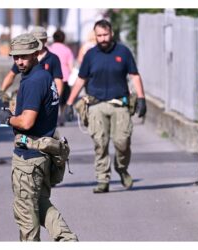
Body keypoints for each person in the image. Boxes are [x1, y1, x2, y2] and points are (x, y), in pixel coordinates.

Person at [0, 33, 78, 241]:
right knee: (41, 204)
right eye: (15, 56)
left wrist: (7, 119)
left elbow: (26, 122)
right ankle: (67, 239)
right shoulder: (43, 76)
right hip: (42, 155)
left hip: (29, 159)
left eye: (24, 56)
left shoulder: (34, 81)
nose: (19, 61)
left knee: (26, 216)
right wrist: (8, 113)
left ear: (36, 53)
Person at [65, 19, 147, 193]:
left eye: (105, 35)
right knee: (100, 143)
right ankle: (103, 179)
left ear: (112, 34)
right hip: (96, 105)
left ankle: (122, 168)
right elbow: (81, 79)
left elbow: (134, 75)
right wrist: (69, 102)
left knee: (122, 142)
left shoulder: (123, 52)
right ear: (95, 36)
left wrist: (141, 99)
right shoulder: (90, 55)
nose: (102, 38)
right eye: (99, 35)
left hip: (120, 105)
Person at [0, 26, 63, 108]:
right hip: (28, 96)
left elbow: (58, 81)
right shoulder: (22, 58)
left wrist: (54, 101)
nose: (38, 42)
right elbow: (11, 75)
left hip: (45, 99)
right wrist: (2, 91)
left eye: (40, 40)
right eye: (35, 39)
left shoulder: (53, 58)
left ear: (45, 40)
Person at [48, 28, 75, 126]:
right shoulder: (67, 50)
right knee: (63, 100)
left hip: (52, 78)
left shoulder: (50, 49)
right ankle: (61, 116)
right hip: (64, 78)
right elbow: (71, 66)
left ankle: (53, 116)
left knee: (52, 99)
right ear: (63, 39)